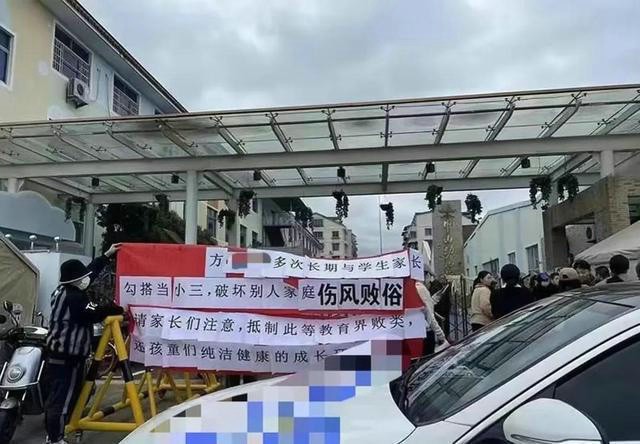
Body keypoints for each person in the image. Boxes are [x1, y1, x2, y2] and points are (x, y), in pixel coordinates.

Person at [43, 244, 124, 444]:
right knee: (62, 399)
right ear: (75, 281)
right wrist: (117, 309)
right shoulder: (75, 298)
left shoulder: (61, 291)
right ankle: (55, 438)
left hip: (61, 354)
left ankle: (58, 431)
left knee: (73, 394)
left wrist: (106, 256)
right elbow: (94, 313)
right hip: (67, 357)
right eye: (82, 278)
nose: (86, 279)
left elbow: (90, 272)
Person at [416, 280, 448, 355]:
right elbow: (430, 315)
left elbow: (424, 307)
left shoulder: (410, 287)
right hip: (426, 332)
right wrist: (442, 337)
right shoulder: (420, 288)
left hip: (414, 332)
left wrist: (434, 298)